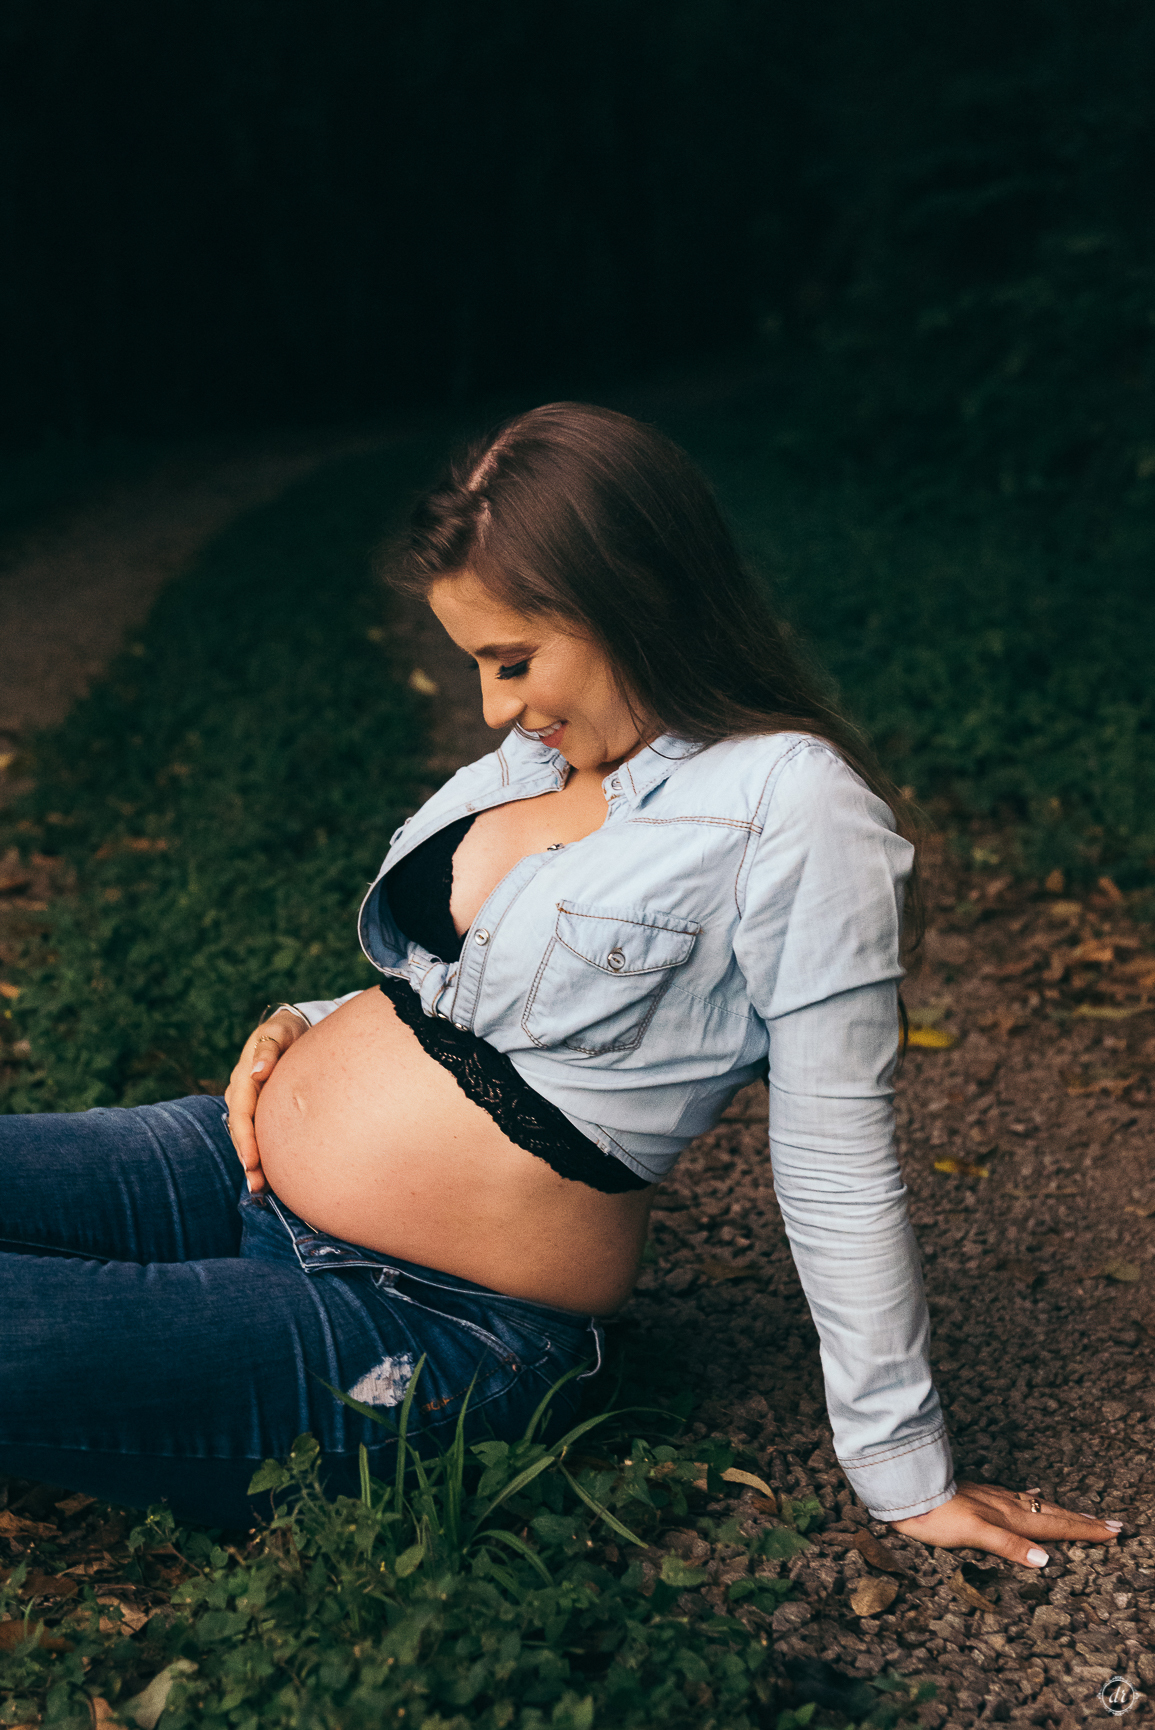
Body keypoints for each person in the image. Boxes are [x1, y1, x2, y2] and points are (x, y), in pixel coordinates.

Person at [0, 405, 1121, 1560]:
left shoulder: (793, 802)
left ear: (633, 592)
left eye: (513, 660)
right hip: (224, 1162)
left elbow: (836, 1156)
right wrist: (314, 1020)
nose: (493, 706)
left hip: (428, 1323)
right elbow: (477, 989)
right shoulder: (544, 752)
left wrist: (905, 1466)